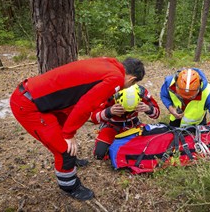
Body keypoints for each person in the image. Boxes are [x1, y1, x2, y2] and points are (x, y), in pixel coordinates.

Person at [9, 57, 145, 201]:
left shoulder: (109, 63)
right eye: (133, 83)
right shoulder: (116, 78)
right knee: (64, 149)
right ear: (132, 79)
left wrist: (68, 130)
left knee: (66, 136)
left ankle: (71, 161)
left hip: (41, 98)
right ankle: (69, 186)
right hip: (30, 105)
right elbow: (86, 105)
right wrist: (68, 134)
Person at [160, 68, 210, 160]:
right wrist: (171, 108)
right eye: (182, 96)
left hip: (197, 127)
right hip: (175, 123)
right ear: (176, 84)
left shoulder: (208, 94)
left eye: (191, 97)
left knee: (195, 155)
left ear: (198, 88)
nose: (186, 99)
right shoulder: (169, 82)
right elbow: (164, 95)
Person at [91, 84, 160, 160]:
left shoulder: (141, 92)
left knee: (148, 147)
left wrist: (148, 109)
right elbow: (94, 118)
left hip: (133, 125)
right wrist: (109, 111)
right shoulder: (110, 92)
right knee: (99, 154)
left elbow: (156, 114)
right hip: (112, 125)